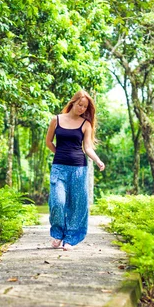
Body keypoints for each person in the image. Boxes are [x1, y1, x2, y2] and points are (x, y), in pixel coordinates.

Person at [45, 90, 105, 251]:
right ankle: (57, 233)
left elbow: (87, 148)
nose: (82, 109)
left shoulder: (85, 124)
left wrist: (98, 160)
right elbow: (48, 142)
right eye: (80, 105)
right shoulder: (56, 120)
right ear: (73, 102)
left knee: (77, 204)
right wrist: (59, 153)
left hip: (79, 168)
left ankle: (71, 238)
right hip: (59, 167)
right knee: (57, 202)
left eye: (85, 107)